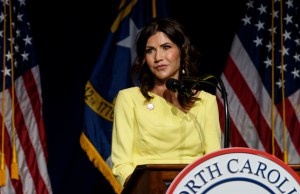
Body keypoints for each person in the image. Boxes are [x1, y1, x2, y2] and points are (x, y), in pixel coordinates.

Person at [111, 17, 222, 188]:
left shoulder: (205, 101)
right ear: (144, 59)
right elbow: (122, 165)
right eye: (150, 51)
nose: (158, 57)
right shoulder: (129, 99)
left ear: (182, 51)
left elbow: (214, 162)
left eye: (166, 47)